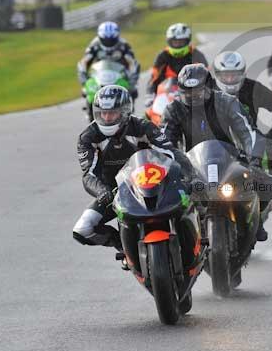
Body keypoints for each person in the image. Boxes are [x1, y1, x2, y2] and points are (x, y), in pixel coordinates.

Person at [162, 63, 272, 241]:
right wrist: (172, 166)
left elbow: (248, 133)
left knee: (269, 185)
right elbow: (165, 142)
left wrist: (254, 159)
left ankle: (256, 219)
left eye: (198, 92)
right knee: (167, 197)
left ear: (209, 87)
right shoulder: (174, 110)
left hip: (231, 160)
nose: (194, 97)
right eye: (188, 93)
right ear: (181, 91)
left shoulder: (227, 102)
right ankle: (183, 237)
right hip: (193, 164)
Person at [73, 85, 197, 249]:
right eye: (103, 112)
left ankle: (194, 242)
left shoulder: (143, 127)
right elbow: (88, 175)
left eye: (112, 112)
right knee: (83, 229)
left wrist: (190, 175)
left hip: (153, 185)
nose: (107, 117)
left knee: (192, 199)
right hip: (114, 192)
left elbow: (172, 153)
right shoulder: (88, 138)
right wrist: (102, 191)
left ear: (125, 111)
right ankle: (124, 248)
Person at [212, 50, 272, 175]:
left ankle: (261, 189)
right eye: (225, 75)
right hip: (214, 143)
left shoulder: (254, 88)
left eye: (234, 75)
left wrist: (270, 137)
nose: (230, 79)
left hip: (249, 141)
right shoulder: (207, 90)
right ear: (217, 75)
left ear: (243, 73)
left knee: (270, 156)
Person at [145, 23, 208, 109]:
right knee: (149, 113)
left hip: (193, 94)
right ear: (169, 41)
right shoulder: (162, 56)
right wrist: (150, 95)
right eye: (175, 42)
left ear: (187, 41)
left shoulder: (196, 54)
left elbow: (207, 76)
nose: (178, 44)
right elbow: (154, 79)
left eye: (181, 42)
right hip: (168, 95)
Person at [77, 21, 140, 98]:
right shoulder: (94, 45)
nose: (108, 42)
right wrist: (85, 80)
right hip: (99, 76)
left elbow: (132, 63)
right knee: (86, 91)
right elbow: (84, 62)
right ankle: (90, 106)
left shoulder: (123, 45)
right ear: (100, 37)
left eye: (111, 40)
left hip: (120, 76)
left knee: (133, 92)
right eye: (106, 40)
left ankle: (127, 105)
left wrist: (132, 82)